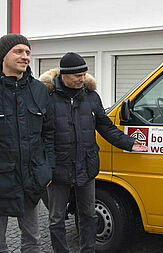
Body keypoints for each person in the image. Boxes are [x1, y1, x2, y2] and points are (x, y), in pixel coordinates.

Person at [39, 52, 147, 253]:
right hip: (57, 168)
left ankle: (87, 250)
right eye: (77, 76)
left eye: (84, 74)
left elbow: (105, 127)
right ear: (64, 75)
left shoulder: (91, 96)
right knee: (56, 218)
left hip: (86, 165)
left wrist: (129, 143)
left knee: (88, 214)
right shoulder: (47, 97)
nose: (82, 79)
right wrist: (43, 166)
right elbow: (39, 134)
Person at [0, 34, 54, 252]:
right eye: (18, 51)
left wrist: (47, 168)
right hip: (1, 179)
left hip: (31, 180)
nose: (25, 57)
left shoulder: (39, 90)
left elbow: (49, 134)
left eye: (28, 52)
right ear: (3, 56)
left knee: (33, 240)